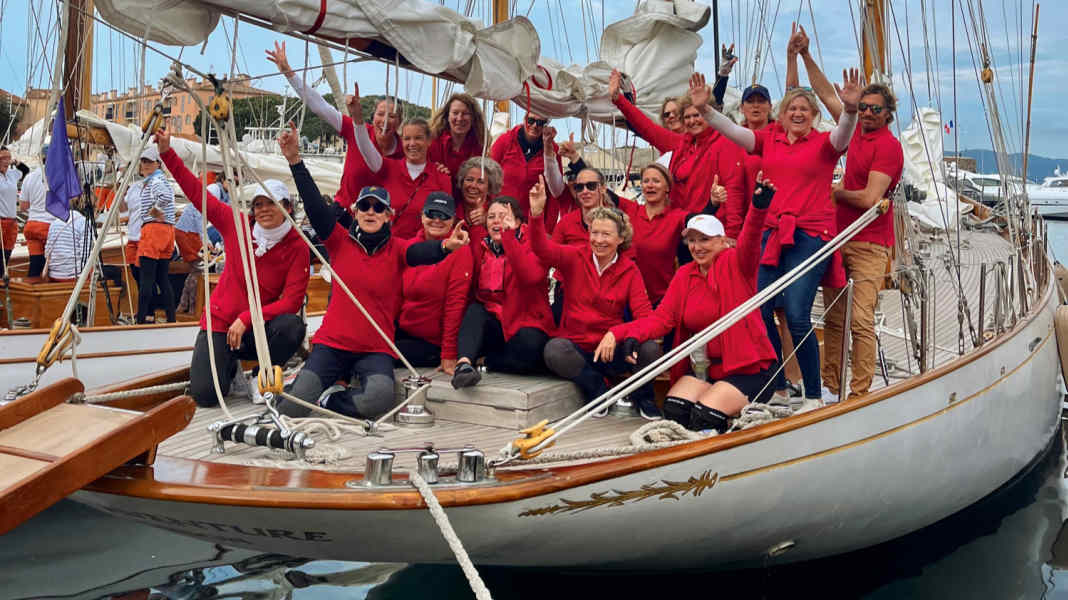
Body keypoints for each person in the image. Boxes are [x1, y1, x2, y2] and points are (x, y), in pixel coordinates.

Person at [274, 124, 469, 419]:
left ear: (389, 216)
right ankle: (303, 388)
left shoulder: (398, 249)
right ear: (355, 211)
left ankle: (330, 401)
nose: (370, 212)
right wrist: (295, 162)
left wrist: (446, 247)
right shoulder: (339, 242)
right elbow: (315, 208)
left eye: (378, 209)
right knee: (291, 407)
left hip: (375, 350)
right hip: (332, 346)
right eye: (364, 206)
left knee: (377, 401)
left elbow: (421, 253)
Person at [699, 69, 862, 403]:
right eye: (792, 108)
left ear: (814, 116)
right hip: (772, 236)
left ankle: (813, 396)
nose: (798, 113)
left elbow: (844, 135)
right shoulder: (768, 139)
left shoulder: (824, 144)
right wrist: (706, 111)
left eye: (805, 109)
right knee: (758, 311)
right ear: (782, 115)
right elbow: (732, 131)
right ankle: (778, 386)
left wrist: (850, 110)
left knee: (799, 315)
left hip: (810, 236)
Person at [597, 175, 779, 433]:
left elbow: (750, 240)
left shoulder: (736, 264)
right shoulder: (685, 274)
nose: (697, 246)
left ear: (722, 241)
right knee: (674, 411)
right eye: (691, 240)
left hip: (750, 369)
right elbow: (661, 320)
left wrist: (758, 207)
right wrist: (622, 332)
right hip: (710, 369)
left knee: (704, 416)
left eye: (704, 239)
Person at [158, 129, 311, 407]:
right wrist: (167, 153)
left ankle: (257, 375)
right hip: (220, 320)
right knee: (204, 396)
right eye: (258, 205)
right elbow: (196, 194)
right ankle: (228, 365)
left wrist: (247, 318)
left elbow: (292, 302)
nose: (263, 210)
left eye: (272, 204)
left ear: (287, 207)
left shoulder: (296, 246)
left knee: (292, 327)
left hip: (255, 326)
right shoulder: (237, 225)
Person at [528, 176, 662, 418]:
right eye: (594, 233)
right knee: (554, 350)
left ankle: (645, 399)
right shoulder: (575, 257)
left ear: (620, 239)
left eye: (606, 235)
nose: (598, 240)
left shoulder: (629, 270)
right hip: (579, 350)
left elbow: (647, 319)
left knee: (650, 349)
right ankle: (600, 393)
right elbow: (541, 249)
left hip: (611, 350)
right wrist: (536, 215)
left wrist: (617, 333)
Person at [822, 84, 903, 399]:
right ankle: (832, 387)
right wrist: (802, 56)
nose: (868, 112)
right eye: (864, 107)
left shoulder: (889, 146)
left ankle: (859, 393)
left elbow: (871, 198)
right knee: (834, 317)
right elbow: (825, 96)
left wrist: (836, 193)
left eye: (876, 108)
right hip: (839, 237)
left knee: (860, 320)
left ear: (888, 114)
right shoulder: (854, 130)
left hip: (871, 243)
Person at [266, 41, 403, 208]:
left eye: (392, 116)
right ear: (372, 116)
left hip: (380, 218)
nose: (385, 120)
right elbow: (321, 107)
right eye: (381, 114)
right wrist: (288, 72)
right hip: (345, 210)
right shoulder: (356, 130)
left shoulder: (406, 149)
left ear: (400, 122)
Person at [450, 196, 553, 389]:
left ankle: (487, 361)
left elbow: (529, 276)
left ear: (518, 221)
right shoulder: (481, 246)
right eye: (491, 217)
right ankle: (463, 365)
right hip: (496, 320)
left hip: (526, 321)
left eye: (503, 216)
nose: (497, 221)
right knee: (475, 311)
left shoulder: (534, 242)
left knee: (530, 347)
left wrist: (510, 237)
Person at [609, 69, 744, 214]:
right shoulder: (682, 143)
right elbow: (647, 128)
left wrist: (731, 234)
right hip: (680, 225)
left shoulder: (723, 144)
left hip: (710, 229)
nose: (692, 121)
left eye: (697, 115)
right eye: (687, 117)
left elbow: (734, 192)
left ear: (708, 114)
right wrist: (619, 99)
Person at [348, 83, 453, 239]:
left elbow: (447, 218)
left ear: (429, 141)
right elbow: (365, 147)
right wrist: (357, 118)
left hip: (423, 253)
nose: (412, 144)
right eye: (407, 139)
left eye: (418, 138)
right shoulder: (388, 167)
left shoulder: (441, 176)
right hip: (389, 249)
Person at [618, 162, 725, 306]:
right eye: (646, 181)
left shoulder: (676, 217)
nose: (650, 185)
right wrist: (575, 156)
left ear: (667, 187)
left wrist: (713, 203)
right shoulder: (631, 209)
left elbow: (700, 222)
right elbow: (599, 189)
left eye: (656, 181)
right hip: (627, 297)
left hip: (661, 300)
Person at [396, 192, 474, 373]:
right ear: (422, 216)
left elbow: (455, 305)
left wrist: (448, 354)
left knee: (378, 353)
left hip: (431, 343)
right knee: (365, 344)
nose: (437, 220)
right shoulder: (410, 247)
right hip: (404, 330)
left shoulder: (461, 252)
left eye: (444, 215)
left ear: (453, 220)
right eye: (432, 214)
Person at [489, 111, 565, 218]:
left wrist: (548, 230)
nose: (535, 126)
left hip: (533, 220)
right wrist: (485, 211)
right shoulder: (505, 141)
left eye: (540, 123)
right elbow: (487, 178)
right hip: (501, 217)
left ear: (545, 125)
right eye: (531, 120)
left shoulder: (551, 149)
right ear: (524, 119)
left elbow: (555, 193)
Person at [135, 144, 177, 324]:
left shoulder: (155, 181)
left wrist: (155, 210)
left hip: (153, 230)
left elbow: (165, 197)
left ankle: (141, 321)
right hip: (168, 231)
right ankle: (171, 319)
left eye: (149, 162)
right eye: (143, 161)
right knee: (162, 278)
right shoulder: (161, 180)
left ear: (158, 164)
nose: (145, 165)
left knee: (146, 279)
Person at [428, 93, 486, 194]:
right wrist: (433, 171)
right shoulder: (432, 143)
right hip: (436, 198)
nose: (459, 118)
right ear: (447, 116)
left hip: (466, 201)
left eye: (465, 113)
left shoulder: (480, 148)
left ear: (473, 118)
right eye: (455, 113)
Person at [19, 149, 52, 277]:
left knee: (35, 263)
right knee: (54, 265)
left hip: (32, 225)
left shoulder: (30, 176)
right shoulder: (59, 176)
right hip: (50, 227)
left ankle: (31, 292)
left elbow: (23, 206)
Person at [455, 156, 502, 240]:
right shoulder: (452, 210)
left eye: (480, 182)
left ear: (490, 187)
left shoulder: (499, 214)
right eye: (469, 179)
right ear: (461, 182)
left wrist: (488, 222)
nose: (473, 186)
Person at [43, 209, 90, 282]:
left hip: (54, 276)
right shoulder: (84, 222)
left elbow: (47, 252)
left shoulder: (54, 223)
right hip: (76, 277)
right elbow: (87, 256)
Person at [0, 146, 24, 268]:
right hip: (0, 220)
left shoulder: (12, 174)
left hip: (12, 222)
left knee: (7, 253)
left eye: (8, 158)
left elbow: (25, 171)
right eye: (3, 158)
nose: (6, 161)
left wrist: (17, 163)